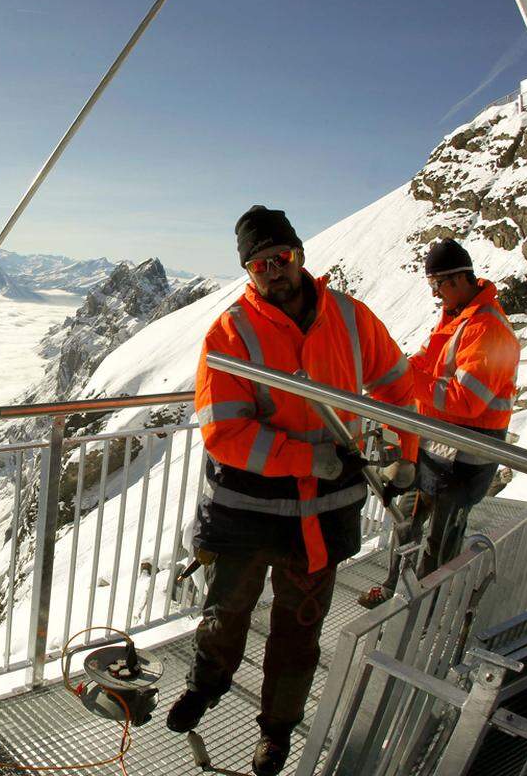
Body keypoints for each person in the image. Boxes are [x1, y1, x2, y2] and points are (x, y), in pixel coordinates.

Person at [166, 205, 419, 776]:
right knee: (225, 610)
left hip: (323, 514)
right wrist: (309, 456)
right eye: (260, 265)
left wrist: (404, 457)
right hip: (246, 512)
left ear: (301, 256)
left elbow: (400, 390)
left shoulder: (353, 319)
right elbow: (223, 432)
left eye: (282, 258)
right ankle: (206, 686)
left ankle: (276, 730)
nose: (274, 271)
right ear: (248, 272)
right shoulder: (229, 332)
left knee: (299, 627)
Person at [358, 238, 518, 608]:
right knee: (407, 520)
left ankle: (424, 609)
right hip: (436, 443)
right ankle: (394, 589)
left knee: (442, 537)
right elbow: (427, 361)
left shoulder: (487, 329)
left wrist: (411, 381)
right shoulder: (456, 318)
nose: (434, 294)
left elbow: (467, 400)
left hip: (467, 453)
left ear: (459, 280)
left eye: (437, 286)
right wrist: (399, 370)